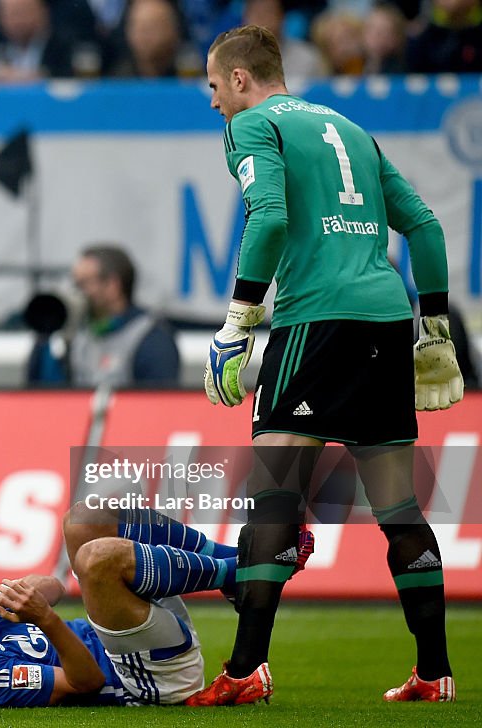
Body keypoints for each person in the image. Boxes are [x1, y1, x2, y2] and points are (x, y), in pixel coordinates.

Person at [196, 25, 461, 705]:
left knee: (275, 496)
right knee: (399, 506)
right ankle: (434, 673)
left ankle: (244, 671)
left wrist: (237, 321)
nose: (214, 102)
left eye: (214, 86)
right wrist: (434, 330)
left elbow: (271, 218)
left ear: (241, 79)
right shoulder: (351, 129)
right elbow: (425, 227)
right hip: (385, 316)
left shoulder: (253, 125)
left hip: (316, 318)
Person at [0, 505, 314, 706]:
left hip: (123, 623)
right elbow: (84, 682)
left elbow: (51, 584)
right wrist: (43, 619)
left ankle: (231, 565)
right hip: (141, 675)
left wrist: (7, 591)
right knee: (96, 559)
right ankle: (245, 573)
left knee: (83, 518)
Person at [27, 245, 180, 389]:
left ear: (113, 285)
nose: (76, 292)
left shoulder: (151, 337)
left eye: (83, 284)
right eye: (74, 283)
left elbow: (158, 406)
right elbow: (39, 395)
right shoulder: (73, 331)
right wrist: (51, 338)